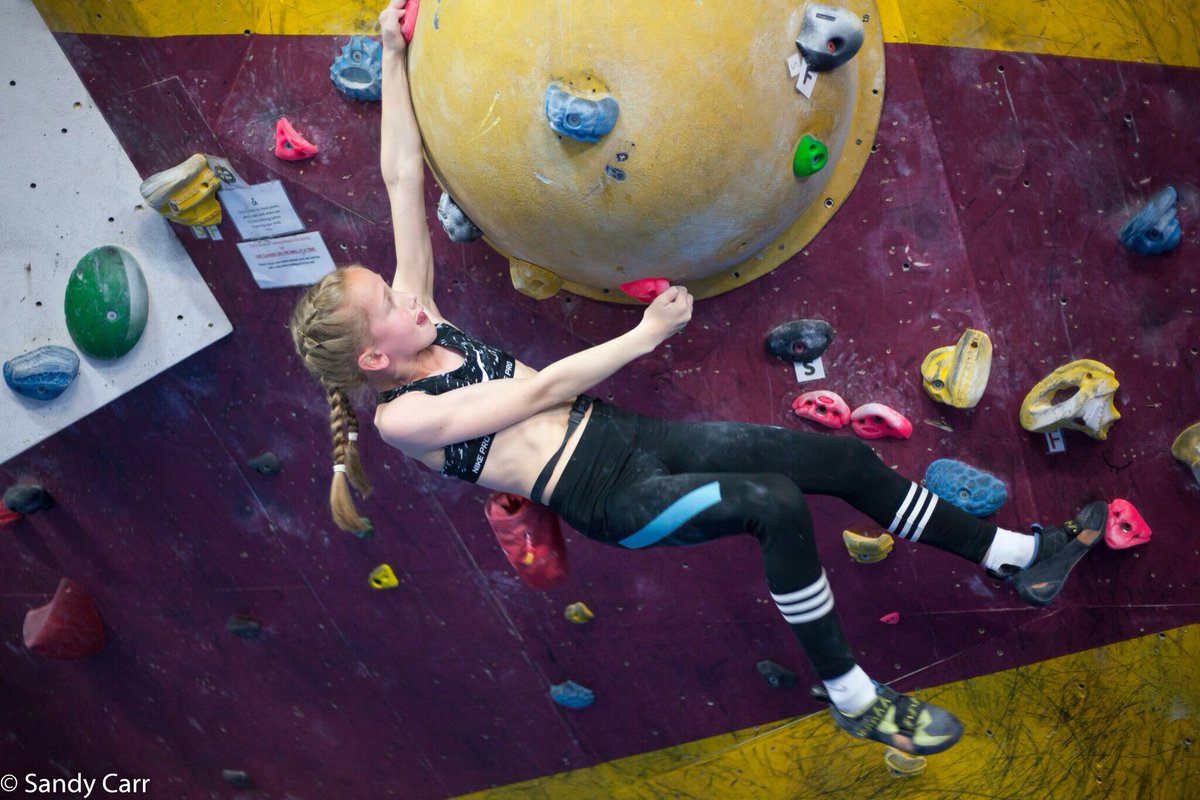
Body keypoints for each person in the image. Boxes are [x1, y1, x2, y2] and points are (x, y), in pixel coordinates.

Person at [289, 0, 1108, 757]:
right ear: (373, 359)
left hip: (626, 437)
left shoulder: (423, 319)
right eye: (387, 303)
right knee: (773, 506)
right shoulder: (403, 420)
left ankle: (1013, 556)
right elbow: (535, 393)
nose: (404, 293)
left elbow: (402, 176)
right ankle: (854, 696)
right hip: (610, 495)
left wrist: (393, 54)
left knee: (840, 461)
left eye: (391, 285)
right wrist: (645, 336)